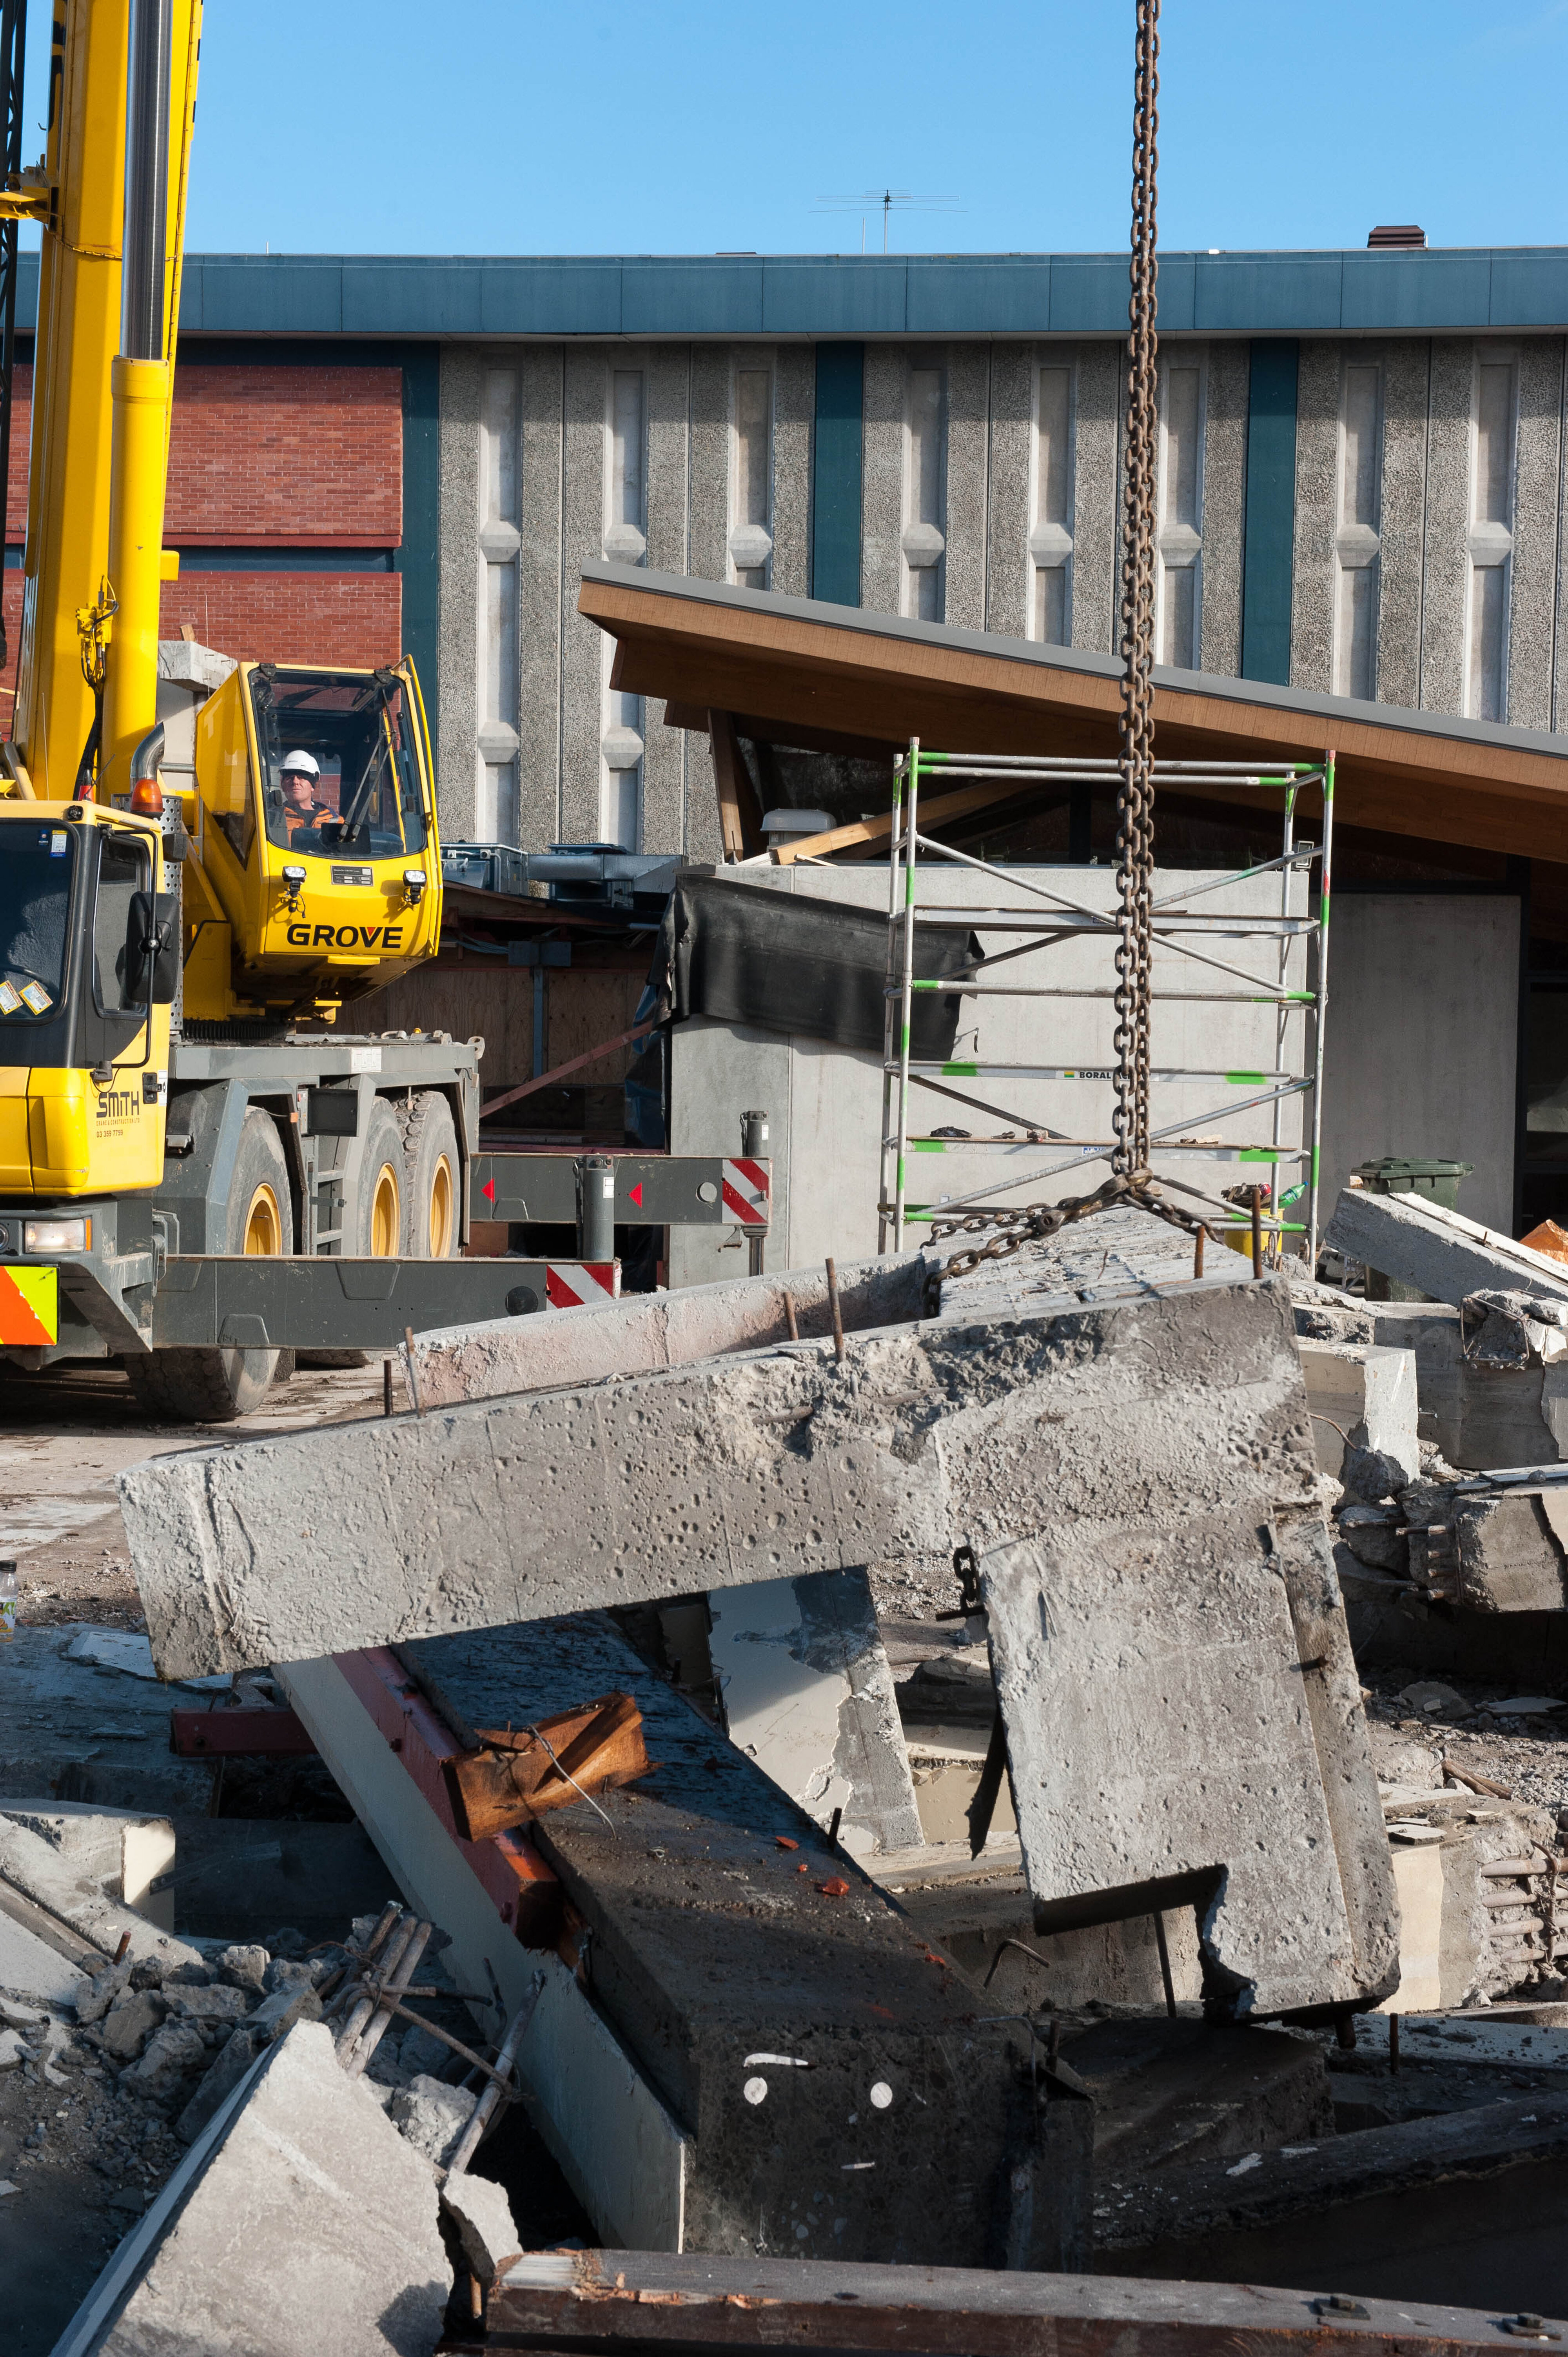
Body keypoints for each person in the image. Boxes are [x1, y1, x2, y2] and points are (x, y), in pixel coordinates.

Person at [278, 750, 331, 839]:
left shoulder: (334, 821)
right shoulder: (272, 819)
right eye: (290, 778)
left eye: (301, 778)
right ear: (283, 786)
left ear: (313, 786)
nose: (295, 782)